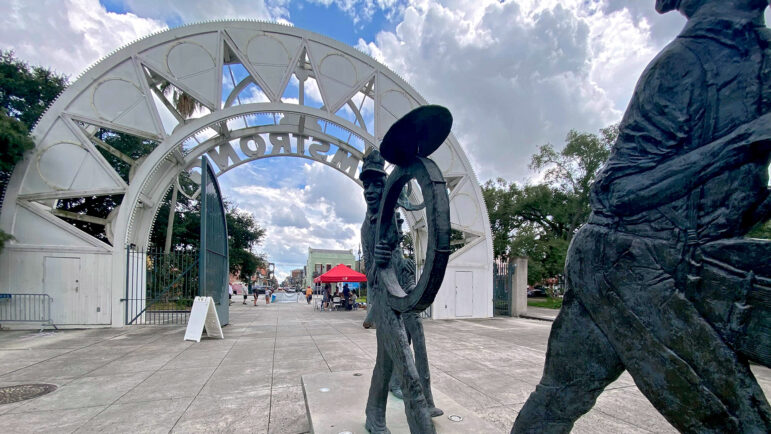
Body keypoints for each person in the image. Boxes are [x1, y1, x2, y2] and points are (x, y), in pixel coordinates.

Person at [513, 1, 771, 432]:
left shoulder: (760, 57)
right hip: (630, 262)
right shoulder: (683, 65)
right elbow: (615, 191)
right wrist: (741, 143)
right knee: (737, 422)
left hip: (695, 259)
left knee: (559, 395)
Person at [360, 149, 436, 433]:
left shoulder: (390, 218)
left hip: (400, 296)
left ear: (386, 187)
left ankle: (373, 415)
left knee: (385, 365)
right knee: (408, 374)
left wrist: (399, 263)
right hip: (384, 303)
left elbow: (396, 257)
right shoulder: (367, 228)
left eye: (377, 184)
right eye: (366, 184)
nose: (370, 191)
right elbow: (369, 275)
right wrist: (378, 263)